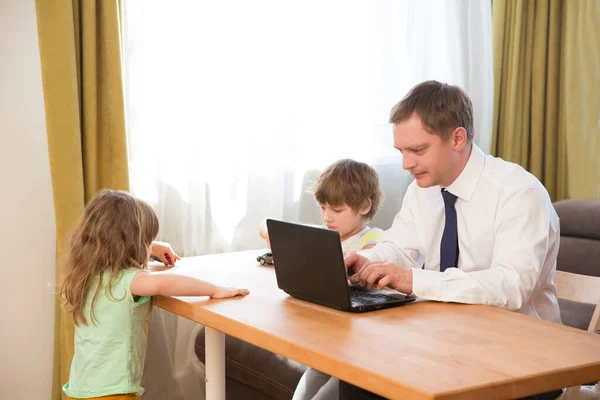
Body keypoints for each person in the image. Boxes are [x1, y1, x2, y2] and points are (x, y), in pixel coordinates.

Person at [340, 81, 562, 400]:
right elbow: (401, 247)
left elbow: (512, 285)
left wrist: (415, 279)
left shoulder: (518, 193)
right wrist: (370, 261)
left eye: (417, 150)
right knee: (360, 374)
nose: (406, 164)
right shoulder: (422, 189)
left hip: (521, 359)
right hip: (442, 342)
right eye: (401, 151)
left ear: (457, 138)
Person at [60, 189, 249, 400]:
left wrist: (151, 246)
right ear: (131, 243)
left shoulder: (87, 274)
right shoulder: (128, 280)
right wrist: (215, 289)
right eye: (146, 240)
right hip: (112, 394)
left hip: (80, 388)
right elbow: (163, 284)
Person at [261, 159, 385, 400]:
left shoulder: (373, 239)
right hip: (329, 338)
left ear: (364, 207)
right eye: (323, 208)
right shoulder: (323, 237)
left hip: (356, 344)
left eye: (337, 210)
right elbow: (263, 228)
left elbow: (369, 260)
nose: (327, 217)